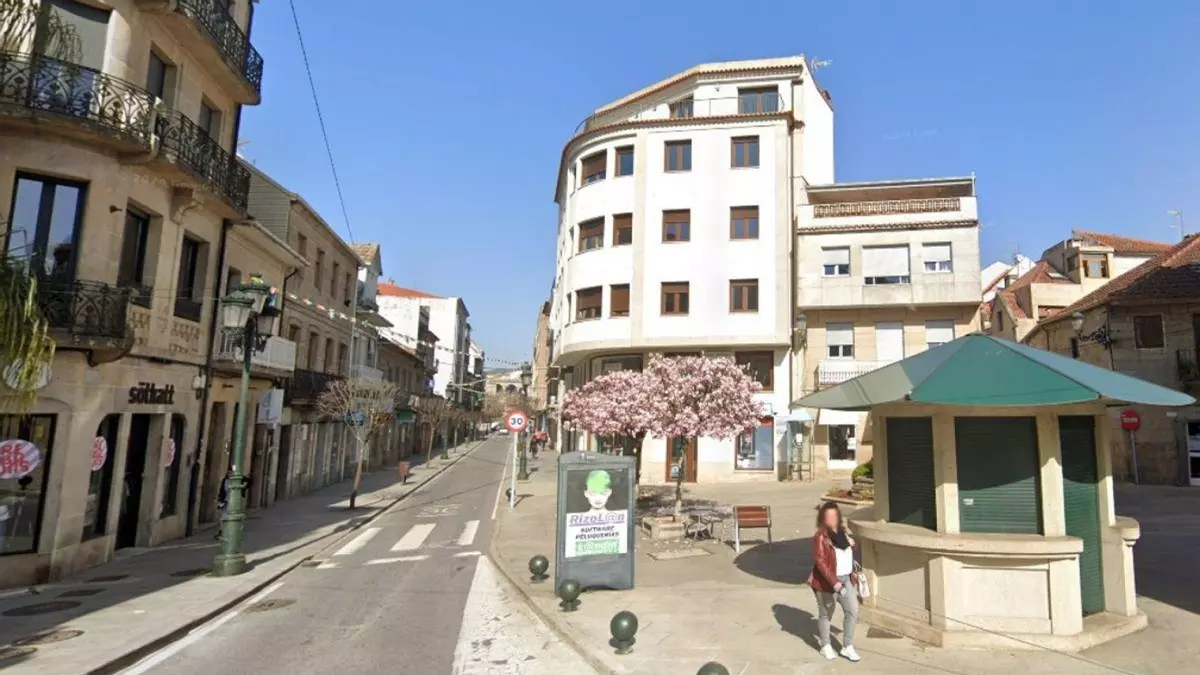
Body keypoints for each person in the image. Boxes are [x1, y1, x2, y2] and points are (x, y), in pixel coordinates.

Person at [807, 501, 861, 662]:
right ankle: (825, 645)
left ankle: (847, 646)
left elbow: (846, 551)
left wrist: (852, 544)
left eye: (834, 516)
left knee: (852, 611)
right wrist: (834, 582)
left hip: (846, 579)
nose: (832, 519)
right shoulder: (820, 537)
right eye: (828, 516)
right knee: (826, 615)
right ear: (823, 518)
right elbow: (821, 562)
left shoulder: (842, 532)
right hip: (827, 583)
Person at [216, 468, 232, 540]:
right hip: (224, 501)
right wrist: (220, 500)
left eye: (230, 473)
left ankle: (227, 532)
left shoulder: (234, 481)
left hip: (231, 502)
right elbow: (221, 490)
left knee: (228, 517)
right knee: (223, 517)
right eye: (228, 473)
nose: (229, 474)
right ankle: (221, 531)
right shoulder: (224, 480)